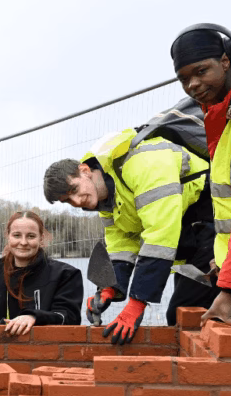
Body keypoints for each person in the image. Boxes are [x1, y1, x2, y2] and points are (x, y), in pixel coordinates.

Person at [44, 127, 214, 343]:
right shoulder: (106, 199)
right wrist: (109, 288)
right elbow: (121, 243)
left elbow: (160, 234)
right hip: (192, 241)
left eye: (74, 190)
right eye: (67, 201)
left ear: (85, 170)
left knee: (188, 315)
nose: (77, 202)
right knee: (185, 318)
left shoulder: (142, 163)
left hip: (217, 226)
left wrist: (137, 302)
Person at [171, 23, 231, 327]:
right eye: (183, 79)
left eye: (201, 71)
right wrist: (226, 260)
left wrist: (230, 287)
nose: (192, 85)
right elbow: (229, 203)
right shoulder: (223, 116)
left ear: (226, 61)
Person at [0, 211, 83, 334]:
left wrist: (33, 317)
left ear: (41, 238)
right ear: (8, 236)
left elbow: (69, 319)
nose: (23, 242)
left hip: (46, 351)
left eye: (31, 236)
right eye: (17, 235)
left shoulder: (66, 275)